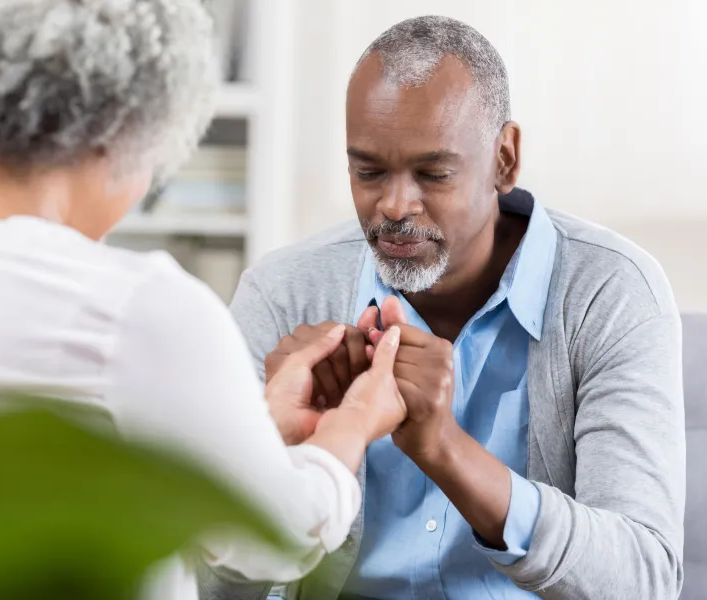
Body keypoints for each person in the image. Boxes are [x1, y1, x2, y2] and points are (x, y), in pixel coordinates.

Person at [0, 1, 410, 598]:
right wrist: (355, 422)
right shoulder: (132, 305)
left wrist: (249, 430)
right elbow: (274, 534)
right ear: (119, 129)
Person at [198, 15, 686, 600]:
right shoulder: (282, 294)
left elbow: (643, 578)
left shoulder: (610, 291)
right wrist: (281, 466)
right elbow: (197, 586)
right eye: (367, 171)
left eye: (433, 174)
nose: (395, 205)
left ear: (504, 159)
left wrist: (444, 449)